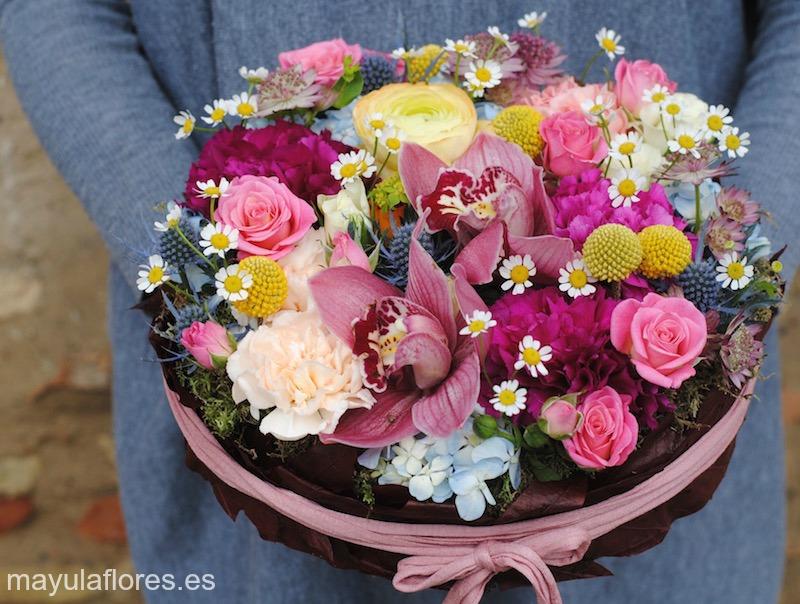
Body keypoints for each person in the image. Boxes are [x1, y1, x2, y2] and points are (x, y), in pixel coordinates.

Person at [1, 1, 797, 602]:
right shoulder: (230, 293)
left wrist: (737, 256)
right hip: (266, 445)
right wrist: (201, 271)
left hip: (657, 438)